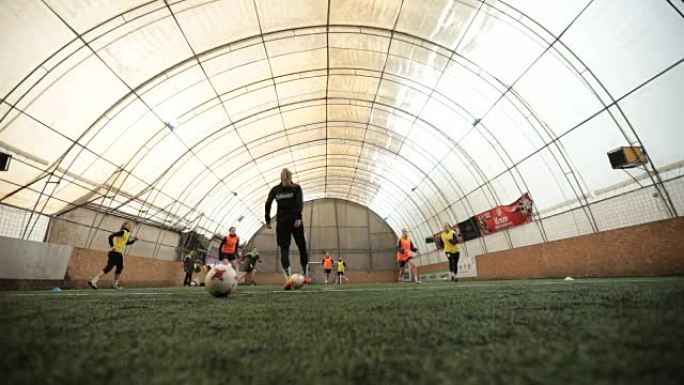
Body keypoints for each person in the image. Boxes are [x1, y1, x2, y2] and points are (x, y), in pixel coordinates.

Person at [265, 168, 310, 290]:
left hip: (282, 222)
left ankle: (288, 279)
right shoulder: (296, 188)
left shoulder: (275, 190)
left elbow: (268, 203)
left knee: (284, 249)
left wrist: (268, 220)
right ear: (290, 177)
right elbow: (299, 204)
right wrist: (298, 218)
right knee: (302, 246)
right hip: (295, 222)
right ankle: (306, 275)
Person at [88, 221, 137, 289]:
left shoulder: (127, 234)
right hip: (116, 252)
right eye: (128, 225)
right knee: (112, 267)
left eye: (130, 225)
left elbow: (126, 243)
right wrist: (112, 246)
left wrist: (134, 241)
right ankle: (97, 281)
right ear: (124, 225)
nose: (129, 226)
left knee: (116, 268)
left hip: (118, 253)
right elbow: (110, 236)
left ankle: (99, 281)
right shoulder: (122, 232)